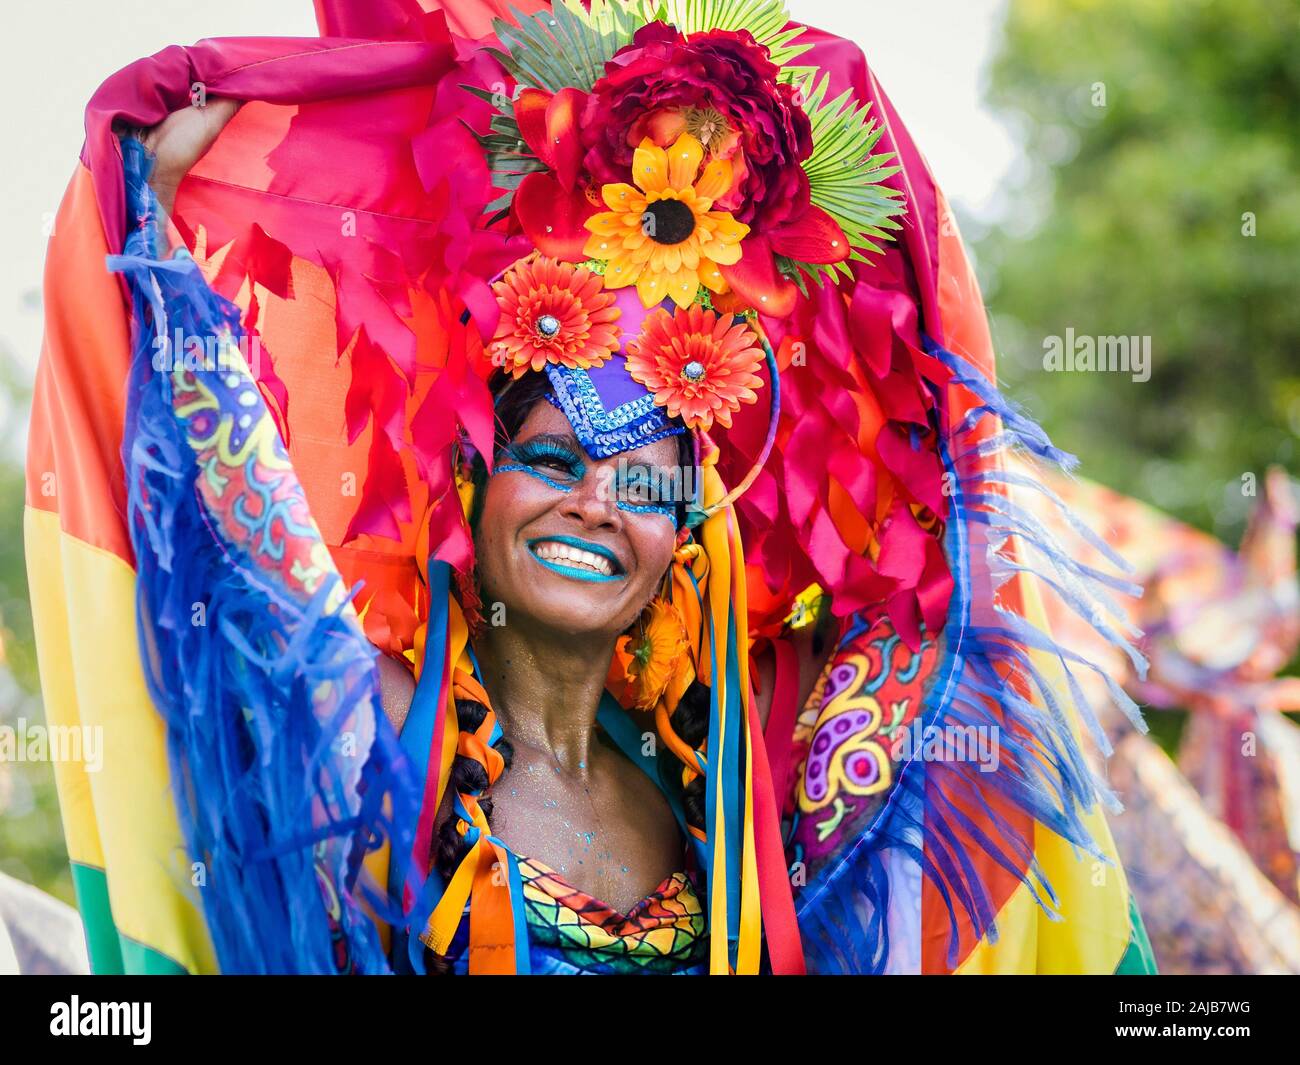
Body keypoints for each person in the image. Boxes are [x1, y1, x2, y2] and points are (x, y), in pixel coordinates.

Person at [24, 0, 1156, 974]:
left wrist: (916, 331)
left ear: (685, 534)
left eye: (645, 484)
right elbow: (238, 565)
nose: (597, 504)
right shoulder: (385, 729)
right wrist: (161, 248)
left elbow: (932, 605)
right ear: (471, 487)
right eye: (553, 462)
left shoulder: (731, 760)